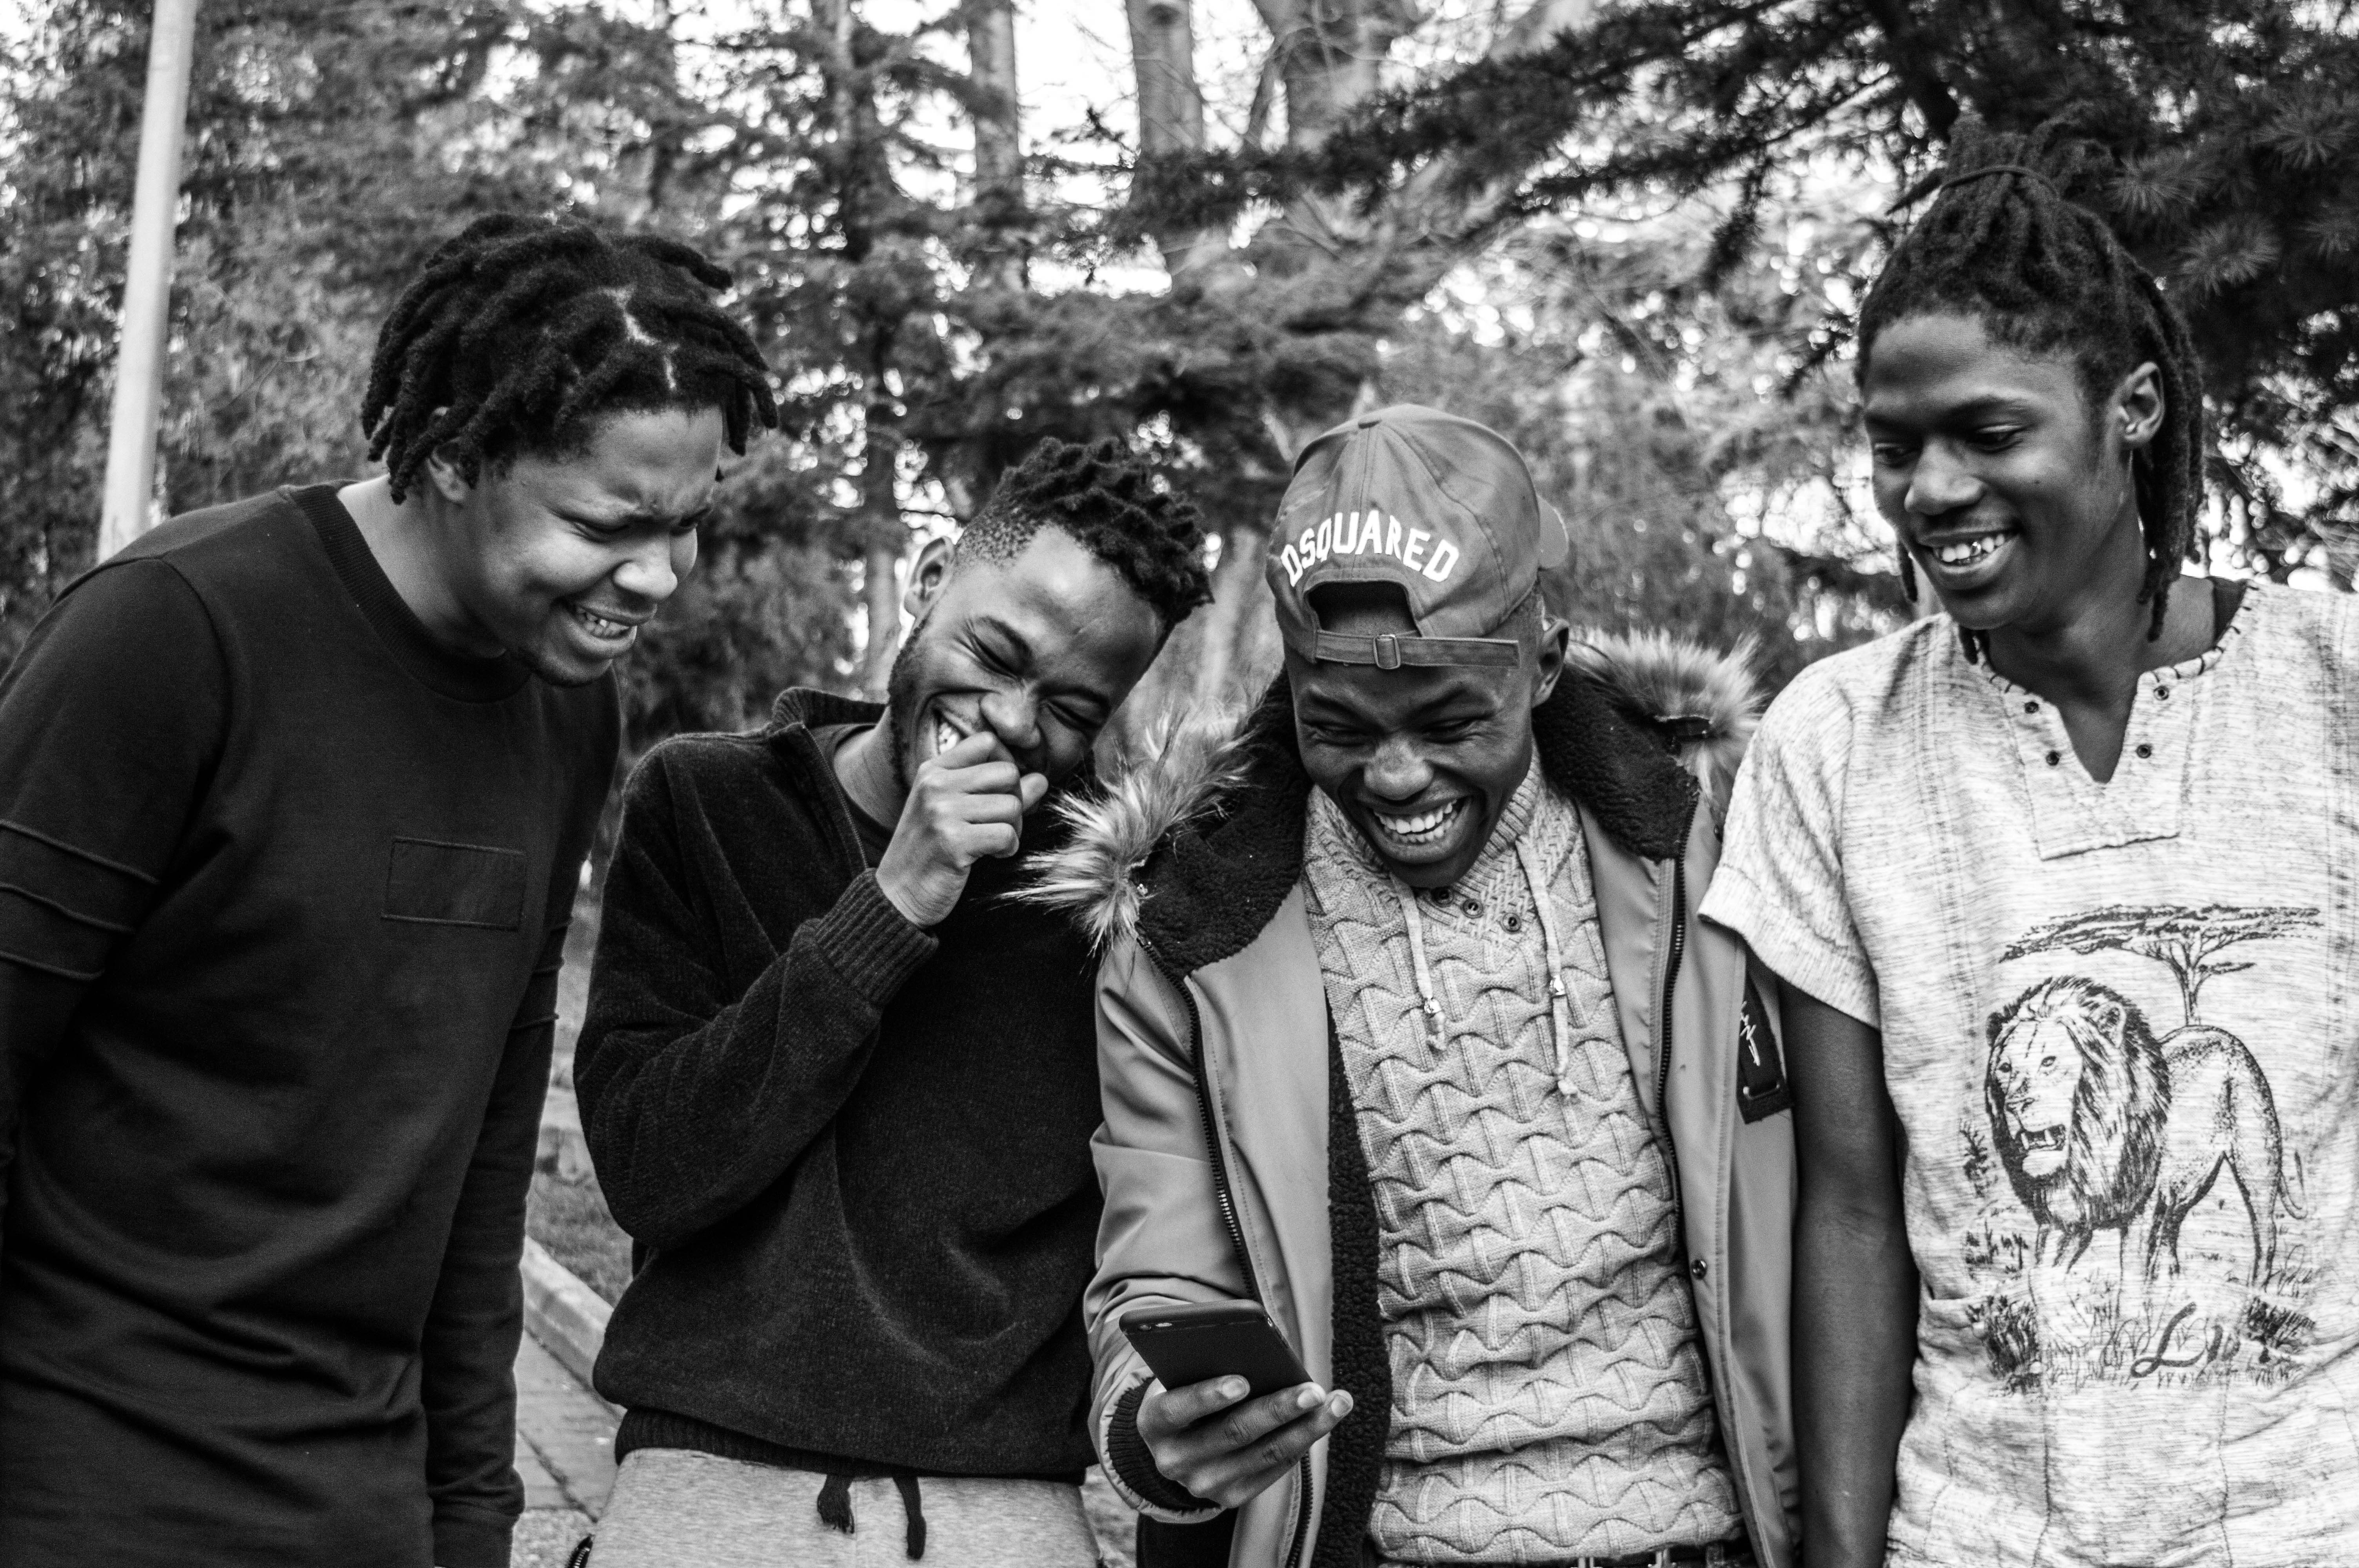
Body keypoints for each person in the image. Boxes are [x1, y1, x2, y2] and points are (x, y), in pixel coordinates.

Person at [0, 214, 774, 1566]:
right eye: (611, 523)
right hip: (83, 1483)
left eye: (689, 526)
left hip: (364, 1503)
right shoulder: (174, 633)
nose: (658, 578)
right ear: (455, 454)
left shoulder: (563, 706)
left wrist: (473, 1514)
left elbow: (478, 1161)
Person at [1702, 120, 2359, 1568]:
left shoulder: (2331, 690)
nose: (1930, 491)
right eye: (1894, 449)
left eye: (1989, 434)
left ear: (2131, 408)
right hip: (1980, 1534)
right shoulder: (1838, 745)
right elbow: (1856, 1212)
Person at [1034, 404, 1798, 1568]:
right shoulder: (1190, 938)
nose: (1395, 775)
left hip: (1709, 1536)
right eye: (1338, 725)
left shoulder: (1717, 846)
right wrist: (1158, 1424)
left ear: (1543, 662)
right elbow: (1156, 1268)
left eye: (1448, 721)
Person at [571, 435, 1213, 1568]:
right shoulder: (705, 802)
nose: (1017, 722)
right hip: (706, 1486)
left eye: (1071, 705)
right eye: (995, 652)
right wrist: (895, 904)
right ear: (928, 581)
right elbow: (652, 1172)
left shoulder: (1107, 892)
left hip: (1002, 1510)